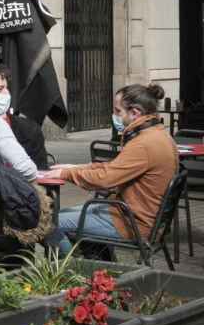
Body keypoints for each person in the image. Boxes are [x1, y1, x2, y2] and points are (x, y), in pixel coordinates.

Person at [43, 84, 178, 255]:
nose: (114, 116)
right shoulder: (158, 134)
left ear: (135, 113)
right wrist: (78, 167)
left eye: (118, 111)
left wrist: (66, 173)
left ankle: (70, 271)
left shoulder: (144, 144)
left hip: (130, 223)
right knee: (63, 215)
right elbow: (116, 168)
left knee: (46, 223)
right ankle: (100, 267)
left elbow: (105, 179)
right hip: (132, 215)